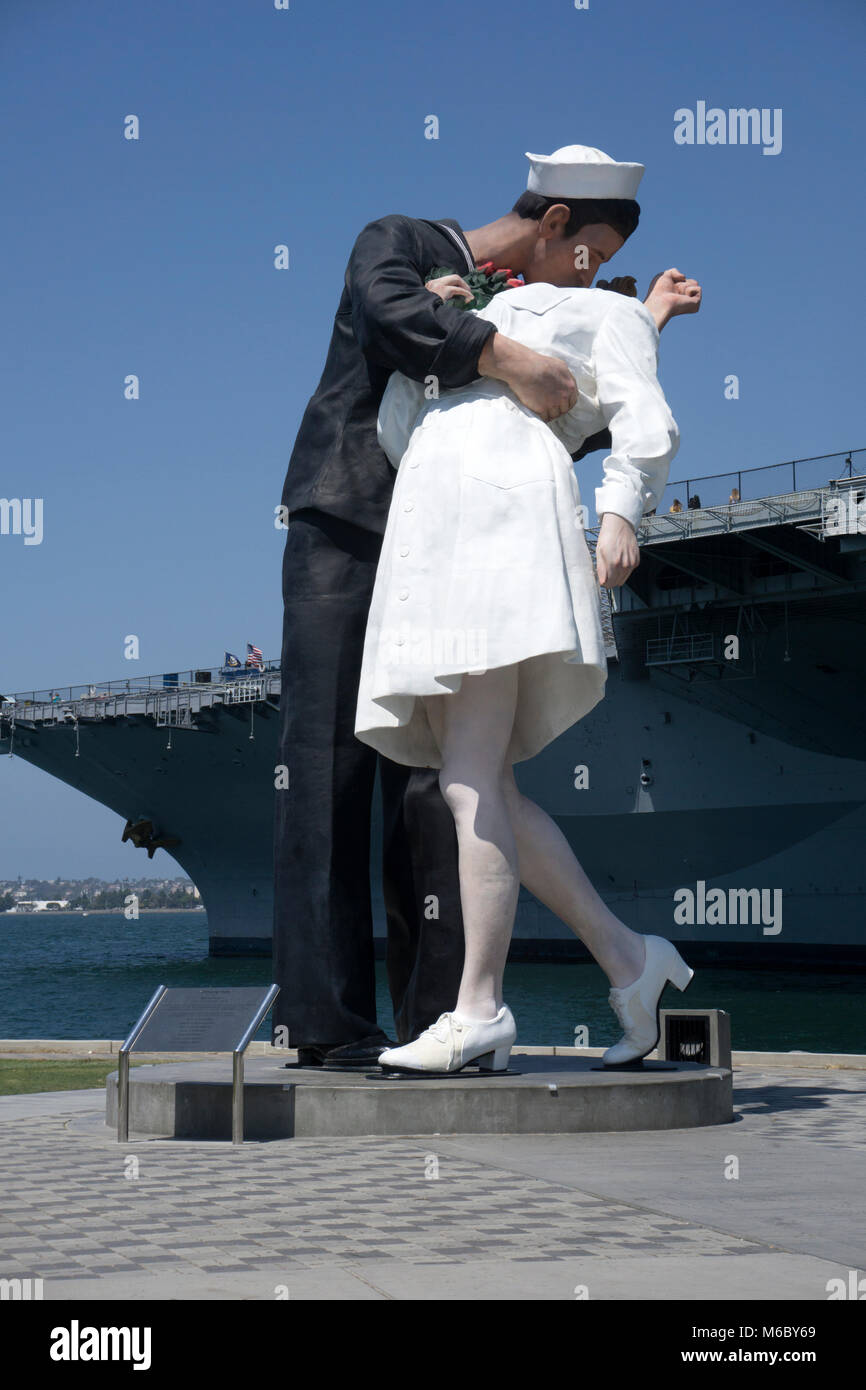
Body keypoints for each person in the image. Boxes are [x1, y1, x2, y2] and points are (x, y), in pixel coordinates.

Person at [274, 143, 700, 1068]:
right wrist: (505, 350)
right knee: (330, 775)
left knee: (448, 787)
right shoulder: (400, 241)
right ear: (553, 224)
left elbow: (568, 418)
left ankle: (451, 1014)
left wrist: (629, 328)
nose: (586, 279)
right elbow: (391, 316)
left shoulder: (541, 305)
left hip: (459, 543)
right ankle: (334, 1025)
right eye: (585, 256)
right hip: (350, 529)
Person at [355, 263, 699, 1075]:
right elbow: (399, 435)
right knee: (489, 787)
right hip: (435, 527)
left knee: (468, 780)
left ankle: (479, 1006)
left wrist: (621, 512)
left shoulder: (591, 311)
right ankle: (629, 959)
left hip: (499, 526)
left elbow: (642, 414)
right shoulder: (468, 328)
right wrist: (439, 330)